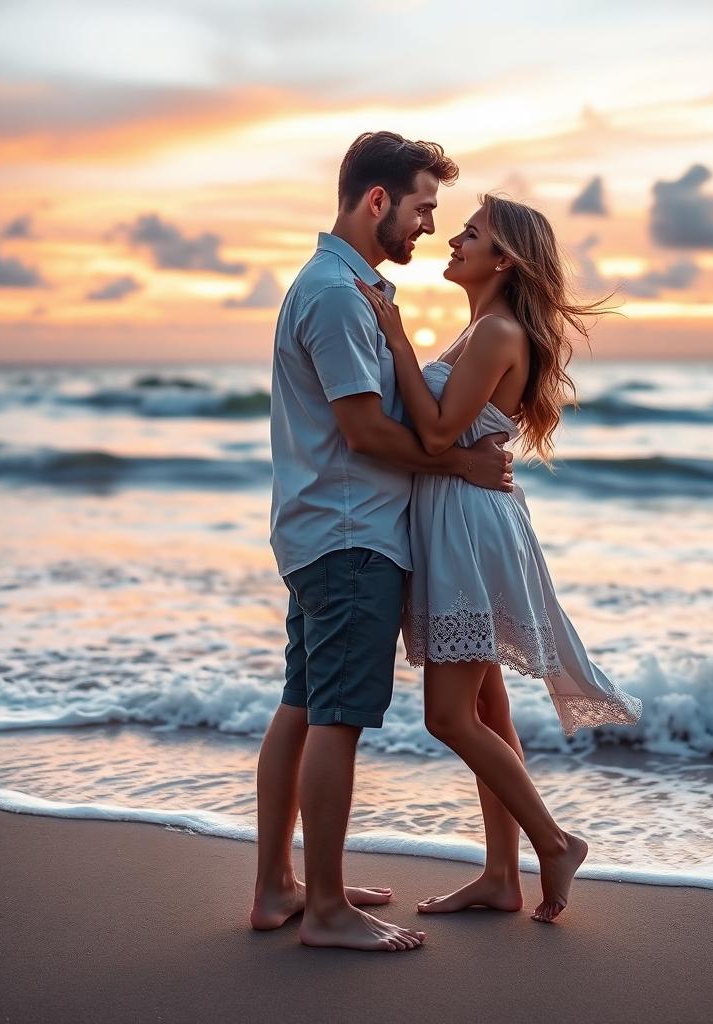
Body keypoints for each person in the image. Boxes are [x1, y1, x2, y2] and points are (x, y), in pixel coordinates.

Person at [252, 132, 515, 952]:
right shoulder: (336, 294)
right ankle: (326, 909)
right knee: (337, 716)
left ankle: (281, 888)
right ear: (377, 202)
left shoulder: (349, 289)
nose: (429, 228)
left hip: (329, 529)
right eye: (422, 208)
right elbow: (364, 431)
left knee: (303, 705)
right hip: (350, 533)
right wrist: (461, 462)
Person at [355, 193, 643, 923]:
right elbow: (449, 437)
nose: (453, 238)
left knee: (449, 718)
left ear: (503, 259)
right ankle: (499, 876)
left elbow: (436, 434)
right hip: (468, 515)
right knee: (487, 706)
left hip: (466, 526)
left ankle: (552, 842)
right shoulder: (483, 327)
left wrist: (394, 343)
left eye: (471, 233)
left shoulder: (494, 332)